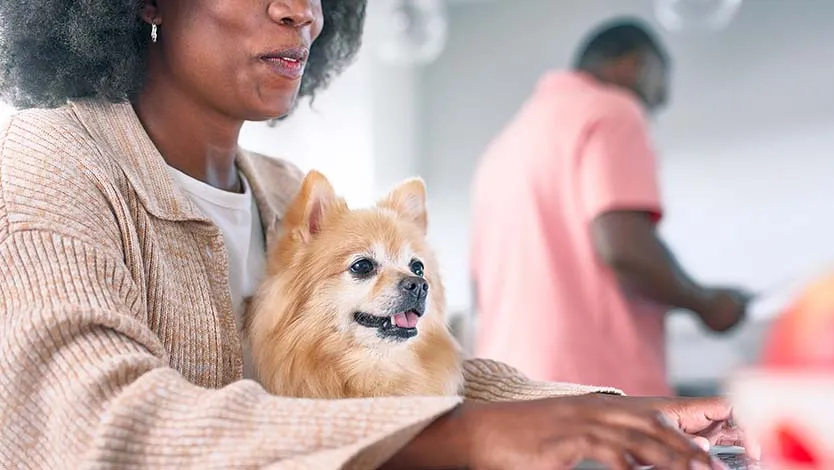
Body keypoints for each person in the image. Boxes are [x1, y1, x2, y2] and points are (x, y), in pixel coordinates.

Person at [0, 3, 751, 469]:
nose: (303, 11)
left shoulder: (286, 192)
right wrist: (465, 441)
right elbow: (93, 426)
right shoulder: (51, 167)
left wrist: (609, 409)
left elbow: (417, 366)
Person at [470, 18, 751, 397]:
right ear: (634, 64)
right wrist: (705, 303)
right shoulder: (614, 109)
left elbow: (479, 289)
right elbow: (625, 249)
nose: (659, 103)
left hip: (504, 395)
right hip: (594, 397)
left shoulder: (503, 146)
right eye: (658, 86)